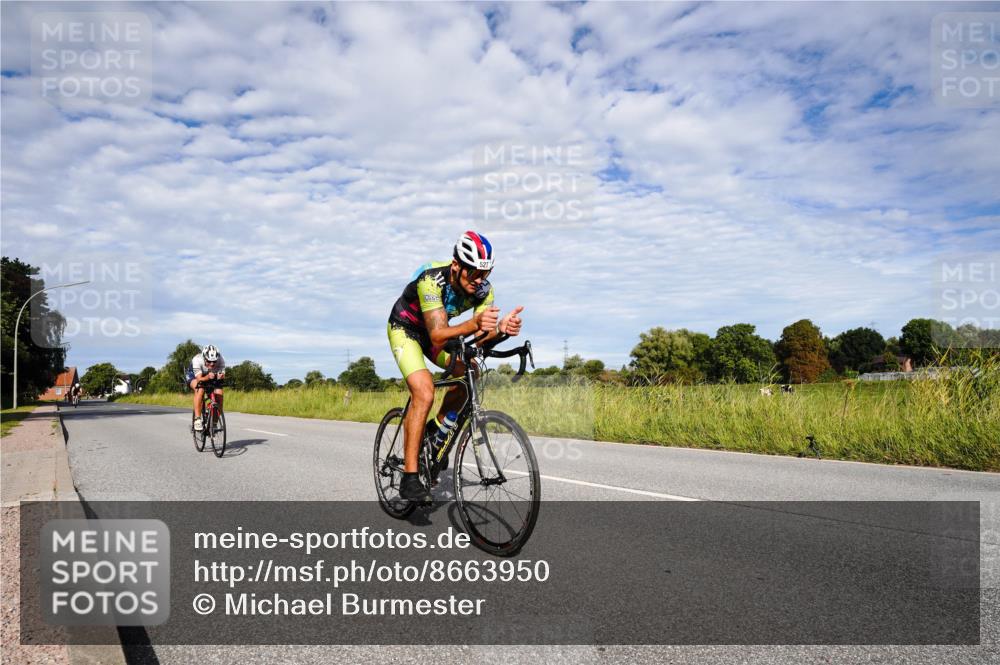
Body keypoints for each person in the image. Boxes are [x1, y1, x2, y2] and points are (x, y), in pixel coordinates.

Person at [387, 230, 523, 501]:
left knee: (470, 370)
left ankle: (435, 432)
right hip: (407, 330)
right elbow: (438, 334)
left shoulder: (484, 289)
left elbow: (481, 337)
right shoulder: (431, 279)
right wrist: (474, 324)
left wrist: (501, 329)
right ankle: (410, 477)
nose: (479, 281)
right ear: (456, 265)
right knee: (424, 391)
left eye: (485, 273)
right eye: (473, 273)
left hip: (441, 334)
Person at [187, 345, 226, 430]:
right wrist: (208, 377)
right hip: (195, 376)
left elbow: (222, 374)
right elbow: (199, 379)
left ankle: (214, 423)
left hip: (210, 374)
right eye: (209, 361)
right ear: (204, 358)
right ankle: (197, 419)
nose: (212, 364)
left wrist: (221, 376)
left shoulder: (221, 359)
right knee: (200, 389)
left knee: (219, 395)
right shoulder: (197, 360)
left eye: (214, 362)